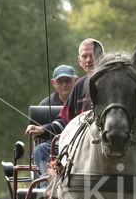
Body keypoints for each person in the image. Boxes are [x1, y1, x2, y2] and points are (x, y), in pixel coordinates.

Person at [26, 38, 103, 180]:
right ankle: (50, 193)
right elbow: (64, 120)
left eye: (91, 55)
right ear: (79, 61)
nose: (88, 60)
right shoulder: (80, 85)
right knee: (42, 150)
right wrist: (43, 130)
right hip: (77, 146)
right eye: (84, 57)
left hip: (105, 144)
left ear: (100, 57)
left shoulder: (112, 81)